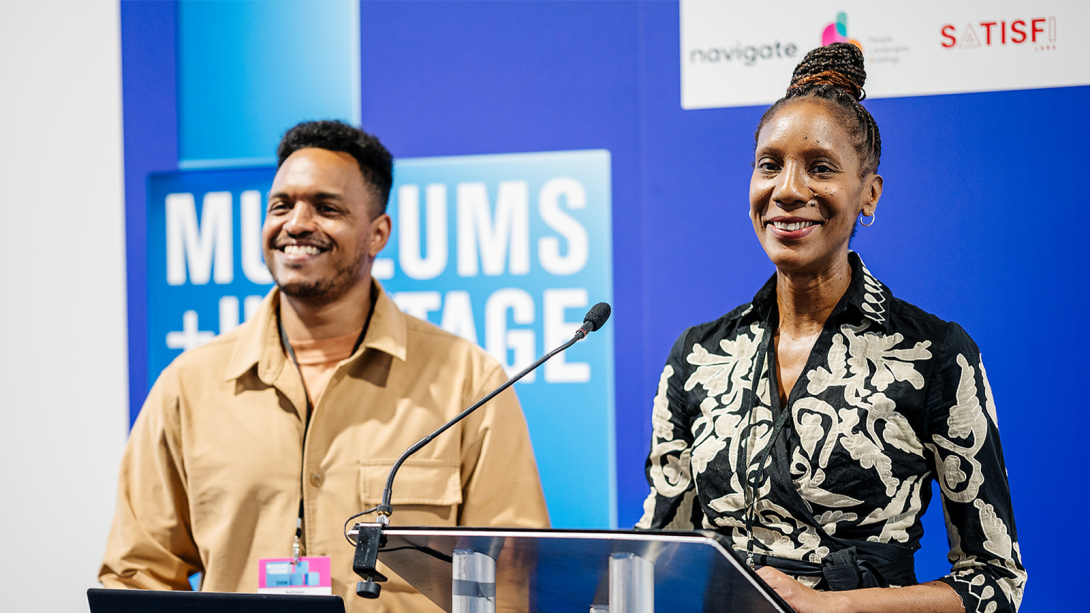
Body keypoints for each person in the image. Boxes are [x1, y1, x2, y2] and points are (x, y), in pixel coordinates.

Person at [100, 120, 550, 613]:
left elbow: (510, 580)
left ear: (378, 233)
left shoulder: (468, 381)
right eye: (282, 205)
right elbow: (137, 574)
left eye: (326, 207)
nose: (296, 223)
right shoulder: (188, 385)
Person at [637, 43, 1025, 613]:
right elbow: (657, 552)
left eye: (820, 167)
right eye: (769, 164)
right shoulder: (698, 355)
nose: (788, 189)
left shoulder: (933, 353)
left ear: (869, 194)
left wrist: (827, 607)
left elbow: (993, 584)